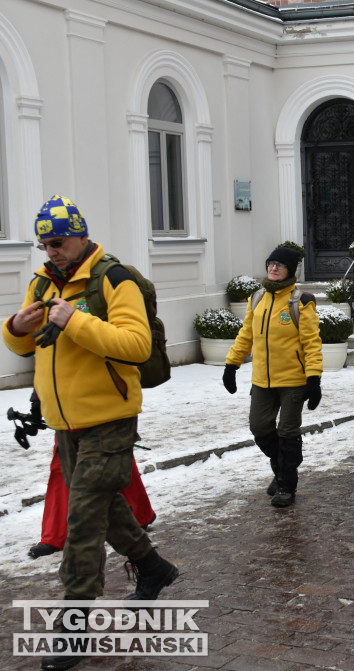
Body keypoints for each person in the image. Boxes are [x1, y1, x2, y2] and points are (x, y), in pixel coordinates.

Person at [3, 195, 179, 668]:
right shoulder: (43, 281)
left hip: (110, 419)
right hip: (66, 422)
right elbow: (26, 344)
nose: (51, 252)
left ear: (81, 235)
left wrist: (75, 319)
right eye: (44, 244)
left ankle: (75, 625)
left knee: (81, 521)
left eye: (57, 242)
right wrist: (16, 327)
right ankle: (153, 568)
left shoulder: (115, 280)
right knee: (106, 507)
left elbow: (136, 345)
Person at [223, 245, 323, 508]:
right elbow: (246, 334)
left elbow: (312, 343)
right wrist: (231, 364)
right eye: (271, 263)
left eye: (280, 264)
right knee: (259, 427)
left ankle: (286, 485)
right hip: (262, 381)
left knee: (287, 432)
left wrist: (314, 379)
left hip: (293, 381)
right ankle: (282, 469)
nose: (273, 268)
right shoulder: (257, 298)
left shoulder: (301, 301)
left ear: (290, 270)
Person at [33, 438, 156, 559]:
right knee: (61, 468)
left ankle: (140, 514)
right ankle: (55, 536)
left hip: (102, 422)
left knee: (115, 463)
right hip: (67, 424)